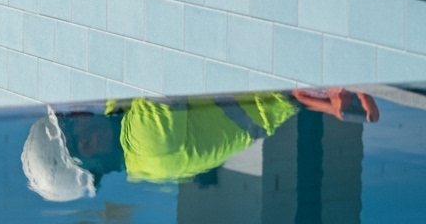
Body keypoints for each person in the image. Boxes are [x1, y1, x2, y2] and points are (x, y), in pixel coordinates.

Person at [22, 88, 379, 201]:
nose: (74, 112)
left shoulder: (122, 135)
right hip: (274, 83)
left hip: (281, 92)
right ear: (87, 145)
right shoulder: (147, 139)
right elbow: (167, 54)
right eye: (68, 123)